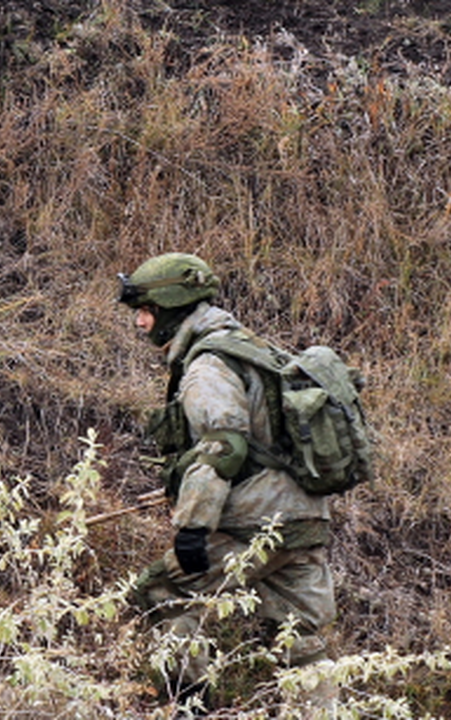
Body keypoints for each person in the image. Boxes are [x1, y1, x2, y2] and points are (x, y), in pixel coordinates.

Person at [118, 253, 338, 713]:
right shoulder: (253, 348)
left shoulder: (208, 365)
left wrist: (194, 527)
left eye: (145, 311)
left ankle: (189, 708)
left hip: (255, 522)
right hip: (305, 517)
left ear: (170, 308)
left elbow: (225, 447)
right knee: (299, 640)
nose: (139, 323)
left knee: (162, 591)